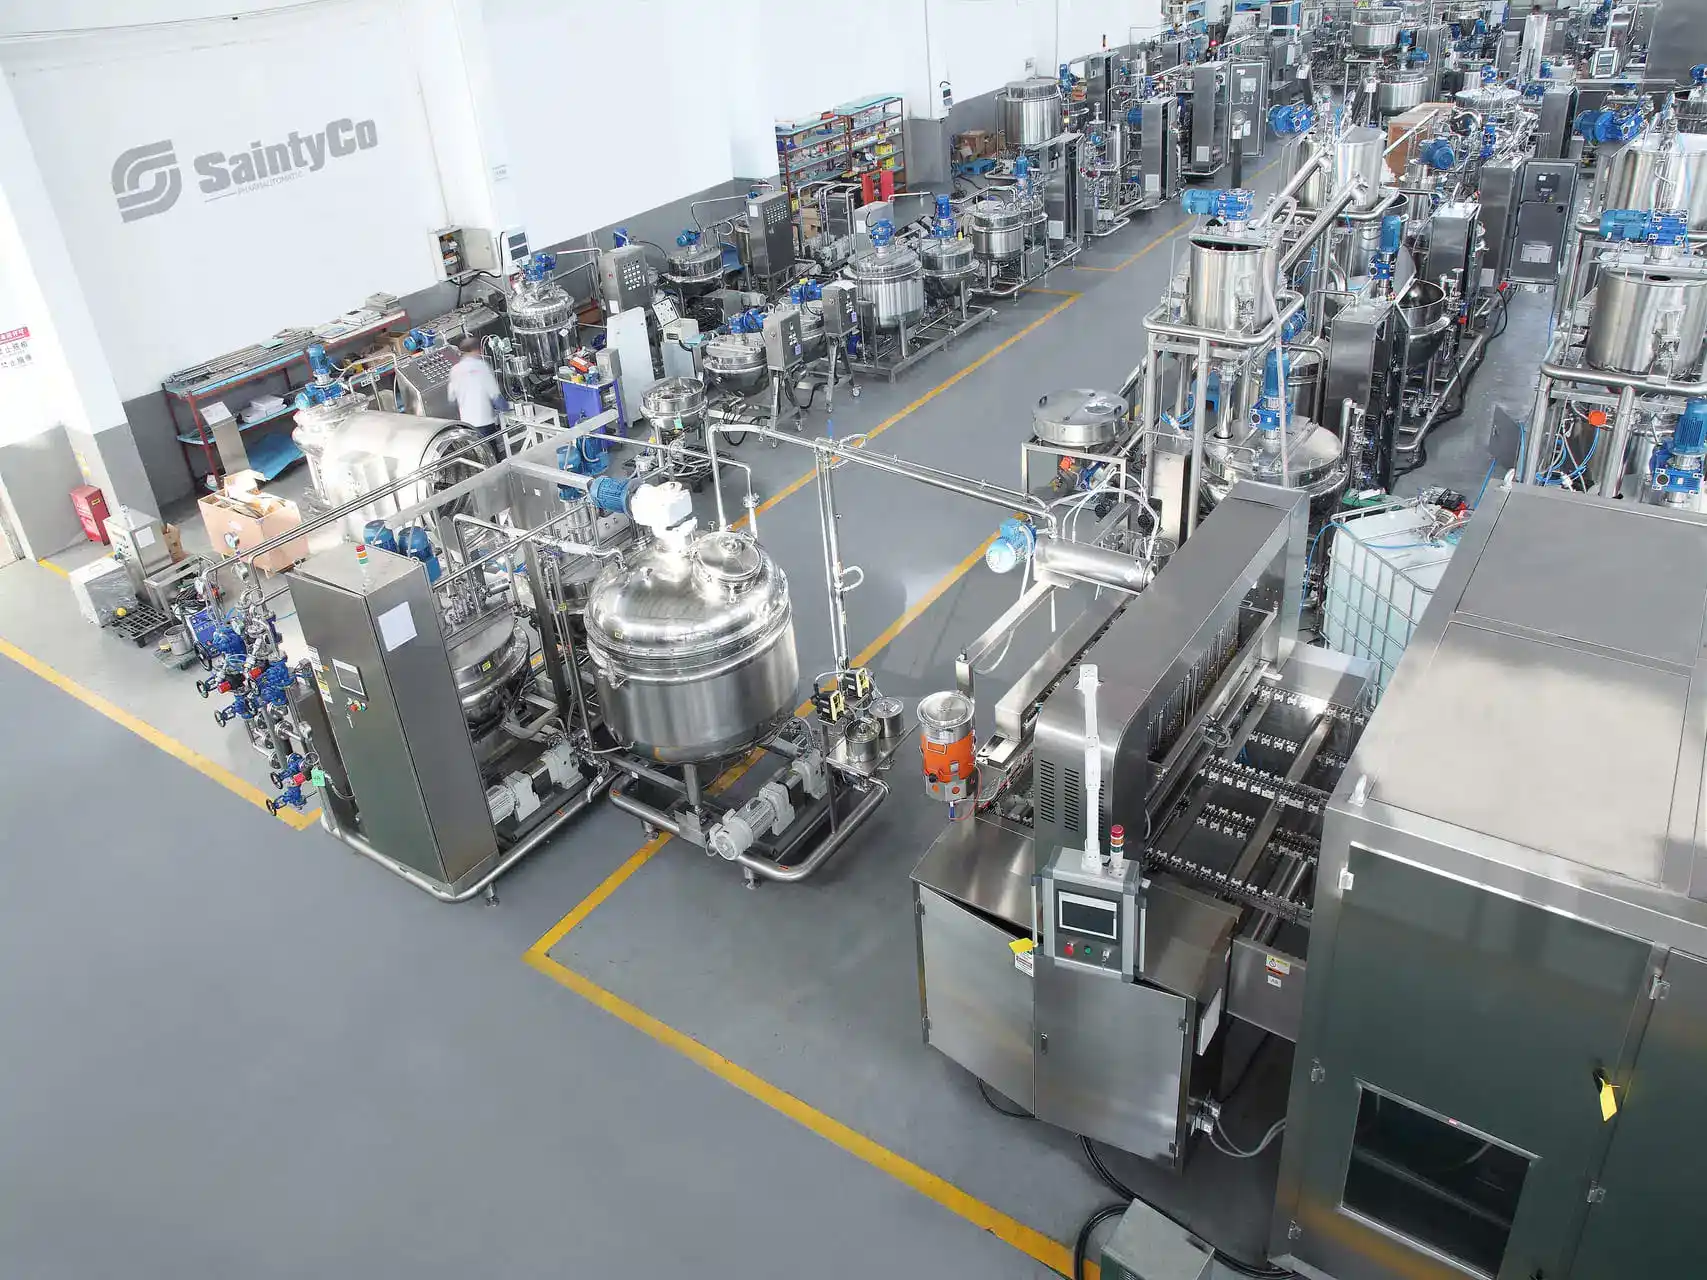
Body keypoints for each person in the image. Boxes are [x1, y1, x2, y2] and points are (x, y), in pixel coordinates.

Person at [445, 336, 506, 449]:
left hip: (468, 423)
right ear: (476, 350)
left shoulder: (455, 370)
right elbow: (495, 395)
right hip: (485, 420)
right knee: (491, 451)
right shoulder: (482, 366)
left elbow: (451, 399)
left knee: (479, 452)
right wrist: (506, 409)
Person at [1519, 2, 1548, 83]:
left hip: (1536, 51)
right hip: (1527, 50)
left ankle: (1532, 80)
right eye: (1533, 12)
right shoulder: (1530, 21)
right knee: (1526, 66)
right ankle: (1524, 81)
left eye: (1536, 12)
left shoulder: (1542, 23)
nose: (1535, 14)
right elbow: (1523, 36)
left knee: (1535, 66)